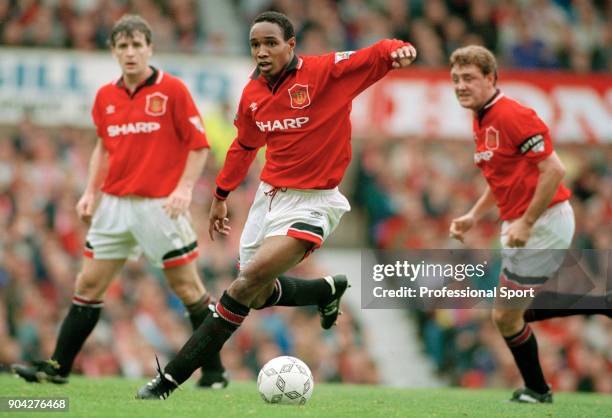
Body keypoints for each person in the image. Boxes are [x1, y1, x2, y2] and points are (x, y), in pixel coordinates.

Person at [135, 10, 417, 399]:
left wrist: (398, 50)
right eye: (255, 44)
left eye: (270, 43)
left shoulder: (324, 73)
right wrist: (220, 196)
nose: (262, 51)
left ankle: (168, 381)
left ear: (290, 45)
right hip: (269, 199)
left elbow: (375, 53)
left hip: (316, 203)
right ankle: (324, 291)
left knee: (244, 285)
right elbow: (245, 146)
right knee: (260, 293)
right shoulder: (252, 95)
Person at [12, 14, 227, 389]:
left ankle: (215, 372)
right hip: (114, 205)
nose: (130, 53)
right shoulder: (106, 96)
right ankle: (59, 369)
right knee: (88, 285)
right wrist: (90, 191)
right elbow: (103, 148)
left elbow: (198, 147)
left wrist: (184, 189)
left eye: (137, 45)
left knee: (189, 291)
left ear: (150, 49)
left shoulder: (172, 90)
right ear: (113, 51)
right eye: (123, 46)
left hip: (159, 206)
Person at [448, 45, 575, 403]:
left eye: (469, 78)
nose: (460, 85)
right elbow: (501, 177)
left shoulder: (511, 115)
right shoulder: (481, 118)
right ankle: (538, 389)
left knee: (505, 315)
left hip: (543, 221)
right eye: (456, 79)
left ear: (490, 78)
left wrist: (527, 222)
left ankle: (538, 389)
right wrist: (474, 214)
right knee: (506, 314)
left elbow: (554, 169)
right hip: (524, 222)